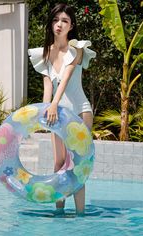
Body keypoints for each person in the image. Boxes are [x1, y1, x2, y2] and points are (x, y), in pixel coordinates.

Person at [28, 3, 96, 216]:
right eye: (56, 20)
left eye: (64, 21)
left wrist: (54, 105)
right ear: (51, 23)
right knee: (58, 162)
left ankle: (80, 216)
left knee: (76, 164)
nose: (59, 24)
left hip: (78, 111)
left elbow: (65, 80)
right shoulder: (45, 53)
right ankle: (58, 214)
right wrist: (44, 110)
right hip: (55, 113)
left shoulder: (77, 49)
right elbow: (48, 85)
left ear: (71, 25)